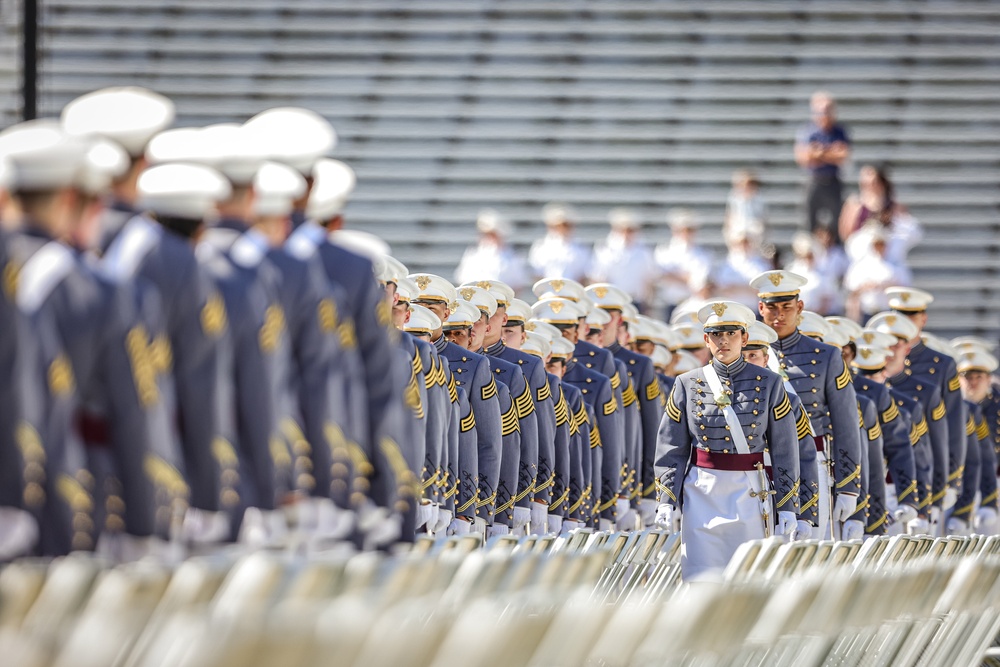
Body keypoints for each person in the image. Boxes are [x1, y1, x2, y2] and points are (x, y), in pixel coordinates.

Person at [654, 301, 800, 581]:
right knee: (701, 575)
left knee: (748, 577)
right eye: (717, 334)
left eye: (731, 333)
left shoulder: (769, 382)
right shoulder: (686, 382)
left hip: (749, 491)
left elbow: (784, 449)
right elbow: (671, 447)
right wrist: (666, 499)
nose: (724, 341)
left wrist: (788, 506)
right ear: (706, 339)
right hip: (702, 490)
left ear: (744, 338)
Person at [750, 270, 863, 539]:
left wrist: (848, 486)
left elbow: (846, 422)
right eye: (772, 307)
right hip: (756, 465)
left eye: (787, 307)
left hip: (811, 463)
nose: (779, 315)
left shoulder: (826, 356)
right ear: (760, 308)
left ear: (799, 307)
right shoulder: (745, 353)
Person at [886, 287, 966, 519]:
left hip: (928, 464)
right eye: (899, 316)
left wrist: (951, 478)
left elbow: (952, 424)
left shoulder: (941, 363)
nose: (906, 323)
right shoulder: (877, 359)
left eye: (911, 316)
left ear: (923, 319)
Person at [742, 321, 819, 540]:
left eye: (753, 355)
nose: (748, 362)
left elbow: (804, 455)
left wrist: (804, 513)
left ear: (766, 359)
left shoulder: (789, 400)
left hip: (779, 493)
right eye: (743, 356)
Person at [840, 164, 923, 266]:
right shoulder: (854, 205)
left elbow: (908, 231)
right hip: (862, 262)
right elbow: (846, 234)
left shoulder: (895, 206)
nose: (869, 187)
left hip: (889, 261)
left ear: (881, 183)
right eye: (865, 183)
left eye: (873, 183)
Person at [795, 91, 851, 239]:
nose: (824, 115)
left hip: (833, 180)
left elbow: (843, 155)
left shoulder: (839, 131)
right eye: (821, 111)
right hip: (814, 180)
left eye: (827, 110)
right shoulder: (807, 131)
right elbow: (803, 156)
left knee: (837, 222)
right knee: (809, 222)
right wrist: (830, 152)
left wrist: (819, 152)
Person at [590, 208, 659, 310]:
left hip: (635, 300)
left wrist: (648, 304)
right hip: (612, 301)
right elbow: (598, 278)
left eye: (630, 230)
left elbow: (649, 280)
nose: (626, 234)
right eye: (622, 230)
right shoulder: (605, 251)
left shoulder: (644, 252)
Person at [654, 208, 713, 319]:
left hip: (694, 305)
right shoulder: (663, 251)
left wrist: (675, 276)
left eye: (689, 230)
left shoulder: (703, 254)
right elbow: (661, 276)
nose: (685, 234)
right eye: (681, 230)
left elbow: (702, 284)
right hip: (670, 303)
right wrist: (689, 278)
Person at [843, 229, 912, 322]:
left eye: (881, 244)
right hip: (867, 312)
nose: (879, 248)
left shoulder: (895, 264)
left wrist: (886, 286)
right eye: (876, 245)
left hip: (887, 312)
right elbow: (852, 290)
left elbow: (904, 286)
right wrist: (866, 287)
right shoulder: (861, 266)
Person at [454, 210, 529, 293]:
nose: (488, 238)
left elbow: (518, 285)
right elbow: (462, 280)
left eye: (492, 235)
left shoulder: (513, 256)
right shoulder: (473, 255)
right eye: (485, 234)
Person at [527, 203, 591, 284]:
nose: (562, 229)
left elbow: (584, 275)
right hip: (548, 291)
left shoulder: (581, 248)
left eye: (566, 225)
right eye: (558, 226)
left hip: (572, 291)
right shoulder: (541, 247)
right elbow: (536, 273)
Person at [725, 169, 768, 250]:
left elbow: (762, 220)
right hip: (738, 234)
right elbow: (729, 218)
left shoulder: (760, 199)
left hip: (754, 236)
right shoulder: (734, 198)